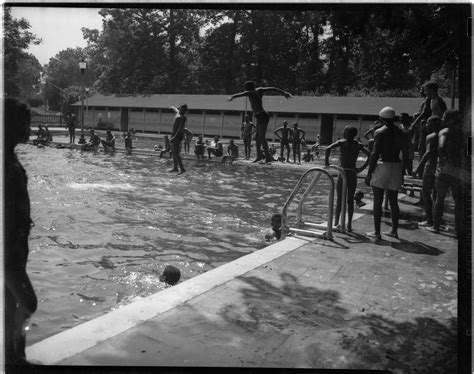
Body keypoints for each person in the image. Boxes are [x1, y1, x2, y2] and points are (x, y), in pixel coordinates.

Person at [5, 97, 38, 366]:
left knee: (11, 304)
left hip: (16, 246)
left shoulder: (8, 156)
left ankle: (15, 358)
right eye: (24, 124)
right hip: (9, 250)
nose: (29, 130)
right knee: (28, 303)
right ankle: (15, 358)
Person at [365, 107, 409, 240]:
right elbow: (405, 154)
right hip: (396, 166)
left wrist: (369, 172)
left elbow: (375, 154)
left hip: (384, 165)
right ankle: (394, 231)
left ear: (382, 118)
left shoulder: (380, 132)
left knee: (377, 201)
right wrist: (402, 172)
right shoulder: (401, 132)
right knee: (394, 201)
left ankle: (377, 232)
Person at [228, 81, 292, 163]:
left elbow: (243, 93)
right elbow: (272, 88)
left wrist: (233, 96)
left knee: (261, 138)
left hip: (262, 116)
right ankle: (259, 156)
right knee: (257, 137)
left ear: (247, 88)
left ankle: (268, 157)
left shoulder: (251, 92)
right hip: (260, 116)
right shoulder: (259, 90)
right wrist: (283, 92)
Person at [325, 126, 371, 232]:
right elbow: (370, 155)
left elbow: (328, 149)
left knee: (340, 200)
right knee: (350, 200)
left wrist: (327, 164)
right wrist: (361, 168)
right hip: (352, 172)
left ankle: (336, 223)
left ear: (346, 133)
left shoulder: (342, 142)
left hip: (343, 172)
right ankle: (349, 225)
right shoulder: (357, 145)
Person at [429, 110, 463, 235]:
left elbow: (442, 146)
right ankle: (458, 228)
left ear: (450, 120)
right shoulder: (465, 134)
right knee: (458, 201)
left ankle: (436, 226)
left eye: (444, 117)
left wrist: (443, 159)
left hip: (444, 170)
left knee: (439, 198)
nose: (442, 120)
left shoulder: (444, 132)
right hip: (459, 171)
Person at [413, 115, 441, 228]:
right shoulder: (446, 134)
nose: (427, 126)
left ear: (433, 124)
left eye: (428, 123)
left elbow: (428, 153)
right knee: (437, 195)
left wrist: (418, 167)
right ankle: (436, 222)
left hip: (430, 166)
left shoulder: (431, 136)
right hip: (441, 167)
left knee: (426, 193)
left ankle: (430, 220)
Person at [169, 104, 187, 174]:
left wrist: (174, 137)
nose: (182, 110)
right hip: (173, 135)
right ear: (179, 108)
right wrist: (172, 107)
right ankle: (175, 168)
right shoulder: (178, 113)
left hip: (177, 137)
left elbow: (179, 128)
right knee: (173, 153)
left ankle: (182, 169)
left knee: (176, 153)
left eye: (184, 109)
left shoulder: (183, 117)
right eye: (181, 108)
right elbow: (175, 109)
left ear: (185, 111)